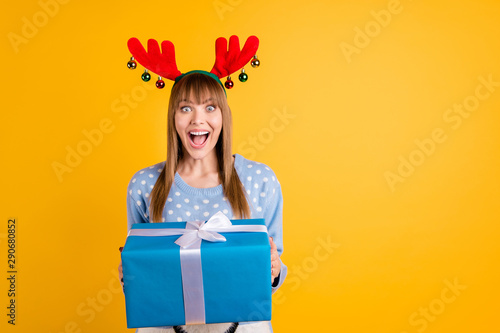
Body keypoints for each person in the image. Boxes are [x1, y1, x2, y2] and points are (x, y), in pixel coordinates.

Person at [119, 71, 286, 333]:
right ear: (173, 117)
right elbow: (141, 273)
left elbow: (273, 270)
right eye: (185, 108)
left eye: (210, 107)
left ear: (224, 116)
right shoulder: (144, 185)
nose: (198, 119)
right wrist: (129, 276)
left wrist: (275, 270)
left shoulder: (260, 181)